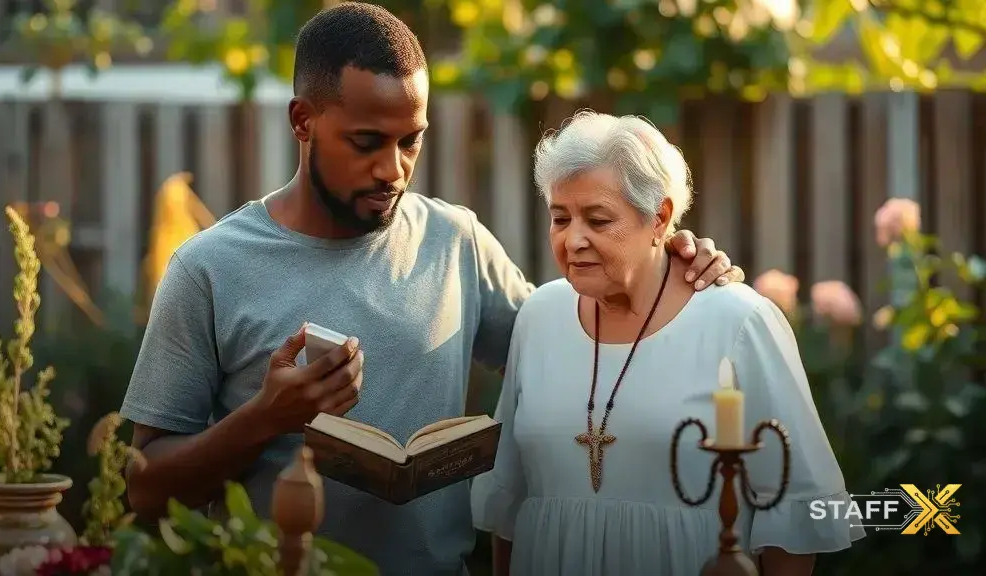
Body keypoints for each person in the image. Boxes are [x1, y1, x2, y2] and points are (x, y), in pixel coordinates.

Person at [119, 3, 743, 575]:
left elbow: (575, 345)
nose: (393, 169)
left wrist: (663, 259)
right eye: (366, 143)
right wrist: (265, 418)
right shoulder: (208, 268)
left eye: (409, 141)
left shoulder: (456, 241)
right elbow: (142, 491)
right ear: (302, 121)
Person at [470, 110, 865, 576]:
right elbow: (510, 501)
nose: (573, 239)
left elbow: (798, 510)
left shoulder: (738, 321)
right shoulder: (539, 316)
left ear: (658, 218)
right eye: (560, 218)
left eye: (598, 219)